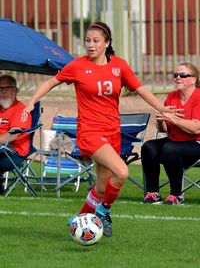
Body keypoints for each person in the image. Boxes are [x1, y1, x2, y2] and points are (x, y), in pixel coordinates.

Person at [22, 21, 180, 237]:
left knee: (103, 188)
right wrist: (32, 101)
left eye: (96, 41)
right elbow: (51, 82)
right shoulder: (77, 66)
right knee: (122, 172)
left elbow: (141, 89)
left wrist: (163, 109)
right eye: (88, 40)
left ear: (107, 43)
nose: (91, 45)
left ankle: (79, 220)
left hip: (112, 132)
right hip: (90, 132)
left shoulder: (119, 66)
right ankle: (104, 212)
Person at [142, 62, 200, 205]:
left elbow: (196, 128)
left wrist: (172, 118)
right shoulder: (172, 97)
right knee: (148, 147)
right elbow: (164, 129)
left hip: (196, 143)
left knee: (170, 148)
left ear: (194, 79)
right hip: (174, 141)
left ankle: (176, 194)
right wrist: (161, 120)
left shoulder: (198, 97)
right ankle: (153, 192)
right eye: (176, 75)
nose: (178, 78)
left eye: (183, 75)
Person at [0, 74, 32, 194]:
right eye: (0, 88)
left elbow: (13, 135)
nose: (3, 92)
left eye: (7, 88)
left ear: (16, 90)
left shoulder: (21, 110)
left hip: (13, 153)